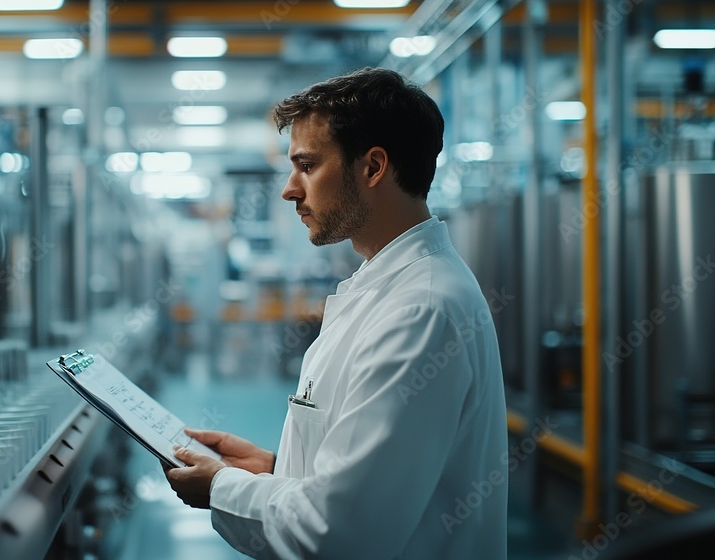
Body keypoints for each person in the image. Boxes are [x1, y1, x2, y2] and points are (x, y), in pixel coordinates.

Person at [164, 67, 508, 559]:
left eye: (307, 166)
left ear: (372, 167)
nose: (289, 189)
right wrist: (275, 469)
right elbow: (371, 480)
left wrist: (222, 486)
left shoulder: (420, 311)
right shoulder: (384, 288)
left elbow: (339, 532)